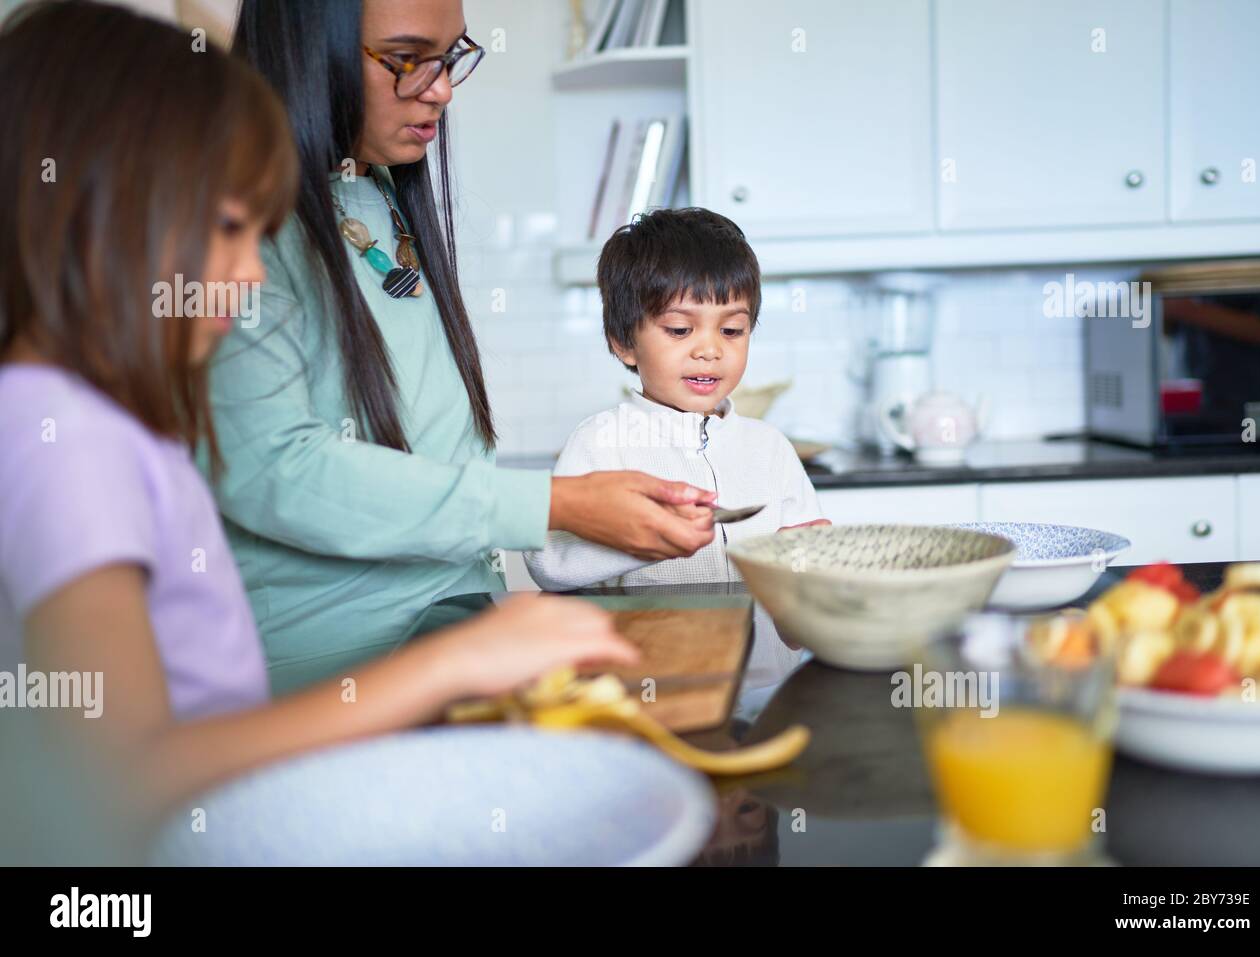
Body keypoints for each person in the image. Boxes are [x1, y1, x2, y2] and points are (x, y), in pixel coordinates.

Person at [0, 0, 636, 843]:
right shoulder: (64, 439)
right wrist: (447, 663)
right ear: (90, 203)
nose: (246, 271)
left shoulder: (96, 428)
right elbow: (120, 779)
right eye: (230, 228)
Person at [207, 0, 716, 692]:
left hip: (453, 625)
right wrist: (553, 504)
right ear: (305, 47)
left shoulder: (378, 187)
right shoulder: (237, 231)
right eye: (407, 60)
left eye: (449, 57)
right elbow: (277, 469)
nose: (440, 88)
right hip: (336, 677)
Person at [524, 208, 828, 591]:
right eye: (680, 329)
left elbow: (806, 566)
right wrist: (645, 538)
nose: (710, 350)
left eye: (732, 330)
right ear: (624, 343)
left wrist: (808, 558)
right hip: (652, 649)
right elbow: (548, 562)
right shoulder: (601, 444)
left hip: (763, 652)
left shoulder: (771, 448)